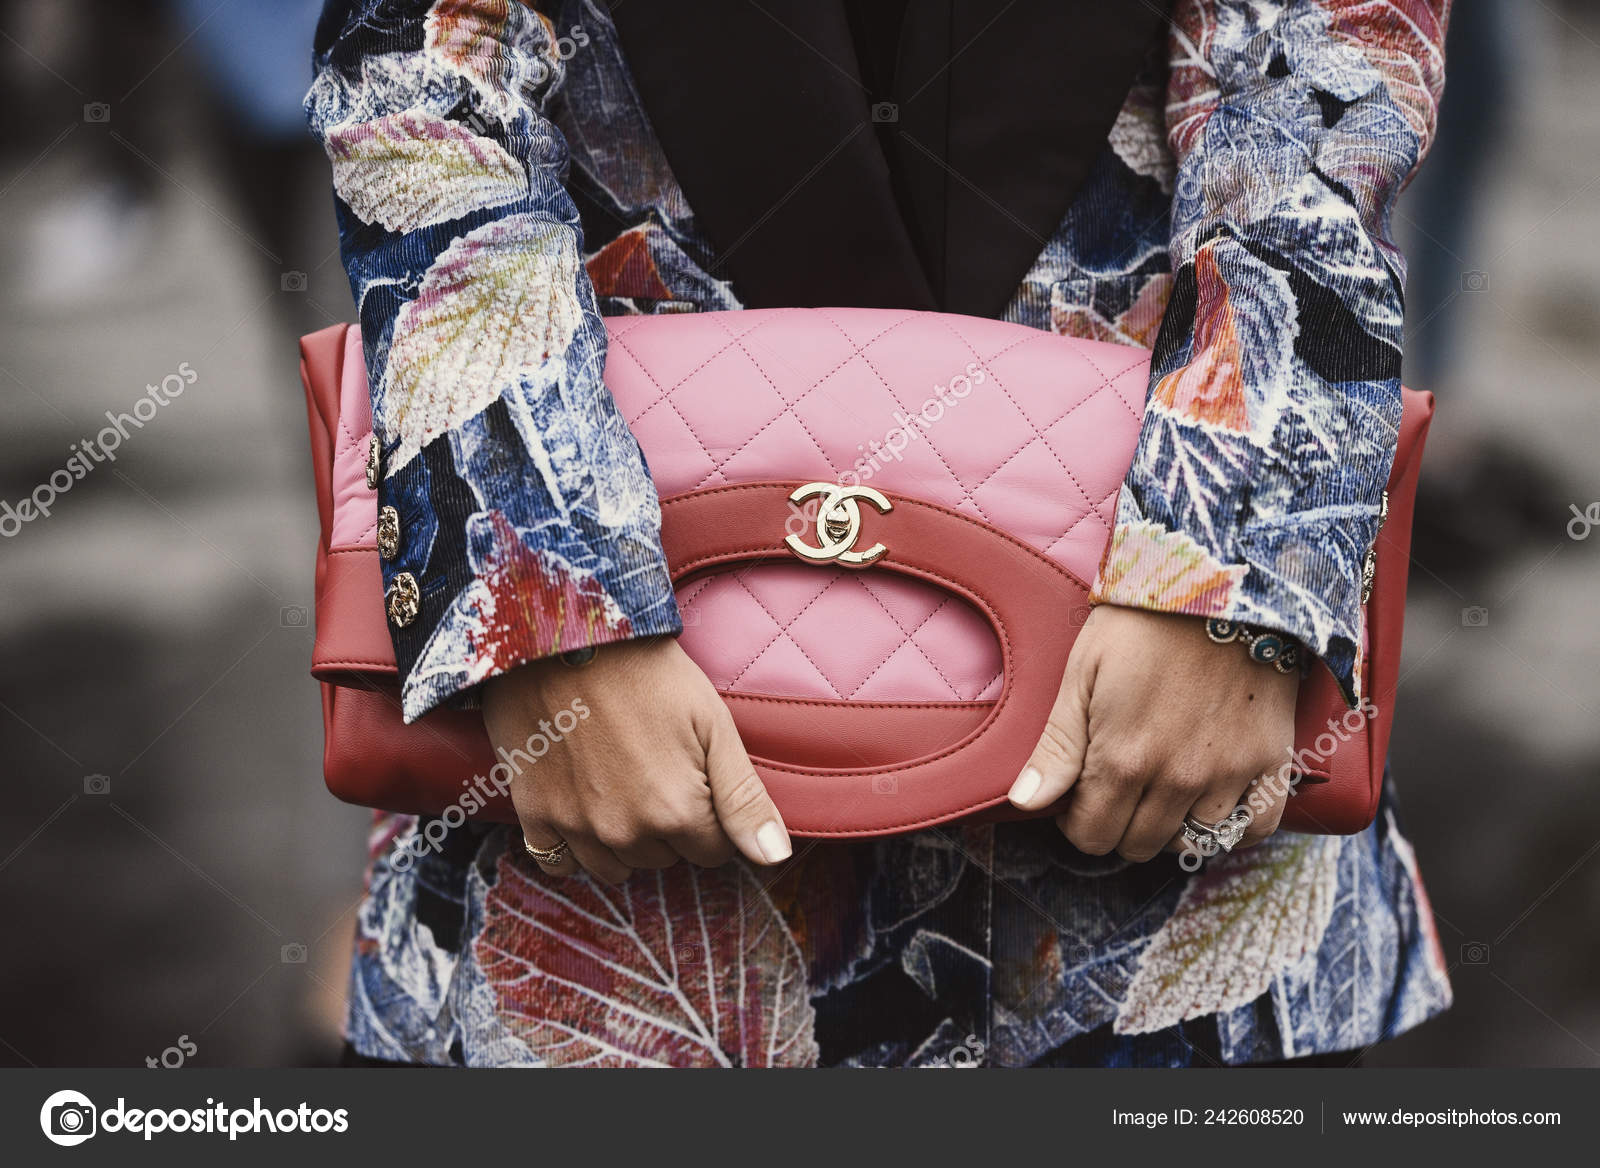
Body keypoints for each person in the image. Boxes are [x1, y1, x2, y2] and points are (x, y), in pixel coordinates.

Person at [306, 0, 1453, 1067]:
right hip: (593, 798)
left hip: (1167, 771)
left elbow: (1325, 71)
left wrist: (1229, 565)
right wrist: (546, 594)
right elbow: (423, 67)